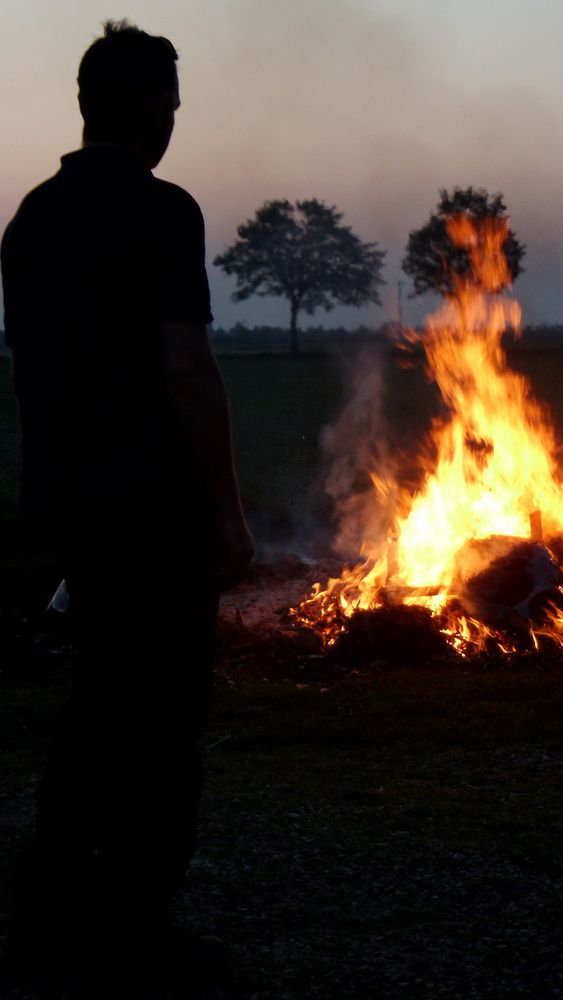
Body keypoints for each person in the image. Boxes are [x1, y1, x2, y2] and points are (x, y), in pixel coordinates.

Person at [1, 19, 254, 992]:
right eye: (172, 107)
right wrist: (225, 514)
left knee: (93, 699)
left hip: (68, 505)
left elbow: (35, 370)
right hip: (155, 508)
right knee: (163, 726)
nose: (174, 124)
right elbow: (186, 370)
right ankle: (134, 933)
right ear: (152, 109)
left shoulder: (29, 216)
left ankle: (49, 906)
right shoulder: (162, 211)